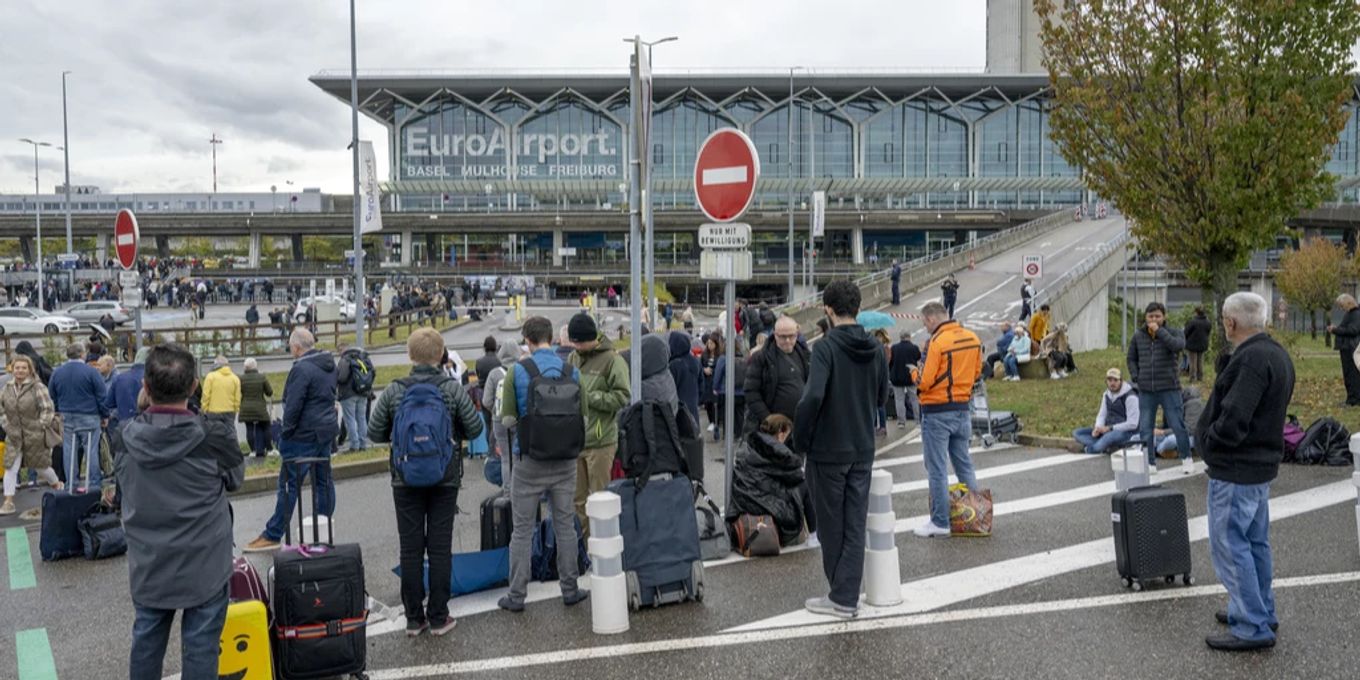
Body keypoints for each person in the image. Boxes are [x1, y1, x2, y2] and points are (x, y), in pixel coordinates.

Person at [116, 343, 243, 680]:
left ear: (145, 386)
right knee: (201, 645)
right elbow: (235, 479)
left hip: (149, 558)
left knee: (146, 639)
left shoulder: (125, 438)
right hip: (205, 558)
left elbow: (124, 488)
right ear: (194, 386)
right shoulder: (213, 435)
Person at [368, 327, 483, 637]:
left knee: (410, 547)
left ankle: (413, 618)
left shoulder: (395, 390)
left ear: (410, 355)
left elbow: (374, 431)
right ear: (440, 354)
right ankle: (439, 616)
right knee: (440, 546)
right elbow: (474, 429)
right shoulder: (451, 388)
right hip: (444, 477)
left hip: (404, 479)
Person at [1196, 291, 1294, 651]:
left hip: (1237, 468)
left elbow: (1235, 417)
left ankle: (1251, 624)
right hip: (1259, 466)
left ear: (1230, 322)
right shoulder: (1276, 354)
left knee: (1230, 546)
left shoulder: (1251, 360)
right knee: (1254, 544)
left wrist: (1211, 441)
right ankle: (1258, 609)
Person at [794, 280, 888, 618]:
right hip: (862, 448)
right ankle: (847, 592)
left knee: (831, 525)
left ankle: (842, 596)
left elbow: (813, 397)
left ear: (828, 310)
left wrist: (800, 439)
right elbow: (882, 397)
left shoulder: (826, 348)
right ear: (859, 309)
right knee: (854, 523)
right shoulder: (876, 349)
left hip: (828, 450)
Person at [496, 316, 589, 612]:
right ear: (551, 337)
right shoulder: (572, 371)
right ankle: (570, 589)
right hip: (565, 462)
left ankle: (516, 594)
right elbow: (583, 419)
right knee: (565, 525)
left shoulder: (516, 372)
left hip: (529, 461)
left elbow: (508, 419)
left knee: (522, 530)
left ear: (527, 340)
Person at [245, 328, 339, 552]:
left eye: (290, 346)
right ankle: (321, 528)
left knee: (288, 486)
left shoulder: (301, 369)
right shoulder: (328, 364)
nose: (290, 349)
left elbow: (293, 406)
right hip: (324, 432)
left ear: (297, 347)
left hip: (301, 436)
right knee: (323, 481)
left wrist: (284, 433)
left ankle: (274, 533)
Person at [912, 302, 983, 538]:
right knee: (964, 464)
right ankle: (976, 517)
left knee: (937, 469)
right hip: (963, 408)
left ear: (932, 319)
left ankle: (940, 522)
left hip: (937, 411)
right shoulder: (972, 338)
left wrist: (914, 372)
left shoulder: (937, 342)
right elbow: (976, 374)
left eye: (925, 323)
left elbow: (925, 381)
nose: (925, 327)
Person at [567, 313, 630, 533]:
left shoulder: (613, 360)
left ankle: (605, 556)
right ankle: (586, 552)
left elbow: (622, 397)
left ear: (591, 338)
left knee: (600, 501)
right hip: (576, 441)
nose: (576, 346)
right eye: (573, 342)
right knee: (578, 503)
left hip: (601, 442)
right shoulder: (573, 358)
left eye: (579, 342)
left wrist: (590, 397)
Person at [730, 414, 811, 547]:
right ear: (781, 432)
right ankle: (813, 534)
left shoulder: (751, 443)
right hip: (764, 503)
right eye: (787, 435)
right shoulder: (776, 449)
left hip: (746, 500)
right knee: (805, 484)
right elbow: (796, 474)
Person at [1127, 301, 1191, 470]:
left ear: (1164, 317)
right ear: (1145, 317)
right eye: (1150, 316)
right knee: (1146, 428)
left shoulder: (1173, 332)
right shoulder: (1138, 336)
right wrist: (1136, 376)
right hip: (1147, 389)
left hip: (1170, 387)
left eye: (1157, 316)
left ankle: (1186, 458)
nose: (1154, 319)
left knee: (1177, 425)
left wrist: (1160, 331)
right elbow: (1131, 358)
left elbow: (1178, 346)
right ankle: (1149, 463)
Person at [0, 356, 62, 515]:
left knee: (41, 467)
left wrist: (40, 426)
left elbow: (48, 409)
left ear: (29, 370)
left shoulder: (38, 387)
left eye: (23, 368)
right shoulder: (6, 388)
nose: (20, 370)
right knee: (10, 468)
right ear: (12, 369)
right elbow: (1, 410)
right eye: (17, 367)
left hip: (34, 434)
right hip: (14, 435)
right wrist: (7, 426)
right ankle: (8, 502)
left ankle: (56, 485)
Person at [48, 342, 109, 491]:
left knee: (69, 450)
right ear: (83, 354)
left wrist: (58, 408)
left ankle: (71, 484)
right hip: (89, 415)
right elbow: (101, 395)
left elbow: (52, 393)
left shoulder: (58, 372)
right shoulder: (91, 372)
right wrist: (104, 415)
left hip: (66, 415)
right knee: (91, 451)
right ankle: (94, 484)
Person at [744, 316, 810, 436]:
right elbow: (751, 392)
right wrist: (769, 419)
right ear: (775, 334)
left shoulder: (805, 355)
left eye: (792, 336)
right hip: (773, 431)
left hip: (800, 427)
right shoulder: (761, 358)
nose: (788, 340)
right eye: (783, 337)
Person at [1072, 368, 1141, 454]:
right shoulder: (1106, 394)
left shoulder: (1130, 397)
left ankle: (1089, 449)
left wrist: (1110, 428)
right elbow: (1102, 415)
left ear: (1121, 381)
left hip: (1126, 432)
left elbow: (1133, 424)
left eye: (1115, 380)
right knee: (1077, 432)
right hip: (1107, 430)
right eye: (1109, 380)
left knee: (1109, 437)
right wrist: (1098, 428)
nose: (1112, 383)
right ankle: (1107, 446)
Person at [482, 341, 520, 463]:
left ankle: (507, 482)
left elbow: (486, 400)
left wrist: (496, 410)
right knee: (518, 456)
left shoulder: (494, 374)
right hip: (518, 419)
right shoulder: (522, 371)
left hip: (499, 420)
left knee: (505, 458)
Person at [336, 343, 374, 453]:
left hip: (348, 394)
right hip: (363, 392)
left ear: (342, 350)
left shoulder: (345, 360)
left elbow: (341, 378)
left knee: (350, 419)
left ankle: (354, 445)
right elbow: (372, 373)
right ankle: (363, 444)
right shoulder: (364, 357)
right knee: (361, 418)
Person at [1155, 385, 1202, 464]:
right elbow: (1167, 426)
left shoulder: (1193, 403)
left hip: (1193, 437)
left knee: (1169, 441)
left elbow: (1189, 429)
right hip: (1175, 433)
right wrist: (1157, 430)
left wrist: (1163, 432)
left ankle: (1159, 451)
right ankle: (1164, 451)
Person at [105, 347, 150, 431]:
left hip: (124, 429)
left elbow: (108, 404)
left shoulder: (119, 378)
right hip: (148, 429)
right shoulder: (154, 379)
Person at [1328, 294, 1360, 405]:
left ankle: (1353, 400)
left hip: (1351, 347)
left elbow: (1353, 330)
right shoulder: (1350, 314)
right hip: (1346, 347)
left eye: (1342, 305)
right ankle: (1351, 398)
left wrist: (1336, 330)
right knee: (1348, 374)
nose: (1341, 308)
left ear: (1348, 303)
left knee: (1352, 374)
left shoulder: (1356, 314)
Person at [239, 358, 274, 459]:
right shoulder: (262, 377)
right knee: (266, 426)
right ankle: (269, 449)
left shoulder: (241, 378)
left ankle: (253, 451)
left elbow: (238, 391)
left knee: (249, 428)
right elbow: (269, 392)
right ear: (256, 366)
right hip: (260, 408)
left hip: (246, 408)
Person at [713, 335, 747, 441]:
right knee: (740, 414)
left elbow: (718, 373)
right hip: (741, 392)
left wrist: (715, 387)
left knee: (727, 413)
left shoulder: (723, 358)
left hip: (726, 391)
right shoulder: (743, 358)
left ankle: (728, 434)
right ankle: (739, 434)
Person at [888, 330, 922, 429]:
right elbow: (918, 358)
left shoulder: (894, 348)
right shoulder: (914, 348)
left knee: (899, 400)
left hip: (897, 377)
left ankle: (901, 422)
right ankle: (918, 420)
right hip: (911, 377)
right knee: (914, 399)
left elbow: (891, 361)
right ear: (909, 336)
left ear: (900, 337)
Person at [668, 330, 701, 425]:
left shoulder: (673, 365)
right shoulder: (695, 361)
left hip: (679, 408)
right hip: (693, 406)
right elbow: (701, 383)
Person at [200, 355, 240, 420]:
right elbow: (237, 397)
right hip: (230, 411)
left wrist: (204, 408)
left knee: (215, 430)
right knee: (229, 430)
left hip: (213, 411)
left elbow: (206, 395)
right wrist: (236, 409)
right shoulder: (235, 378)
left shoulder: (210, 376)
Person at [699, 333, 721, 434]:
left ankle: (716, 421)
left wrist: (714, 370)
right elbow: (700, 365)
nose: (709, 345)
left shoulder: (720, 355)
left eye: (711, 343)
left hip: (716, 381)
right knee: (708, 402)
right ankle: (711, 421)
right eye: (708, 343)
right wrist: (704, 369)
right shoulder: (704, 354)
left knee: (715, 403)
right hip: (707, 382)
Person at [872, 329, 893, 434]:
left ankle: (883, 427)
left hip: (882, 379)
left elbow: (887, 362)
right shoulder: (874, 348)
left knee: (880, 404)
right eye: (876, 336)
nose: (878, 338)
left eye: (879, 336)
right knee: (873, 405)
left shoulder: (886, 349)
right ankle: (875, 425)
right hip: (874, 378)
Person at [1184, 306, 1212, 383]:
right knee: (1200, 361)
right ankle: (1200, 377)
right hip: (1203, 344)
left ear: (1196, 312)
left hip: (1192, 344)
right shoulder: (1208, 322)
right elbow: (1208, 332)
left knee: (1192, 362)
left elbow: (1186, 332)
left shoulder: (1193, 322)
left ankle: (1193, 378)